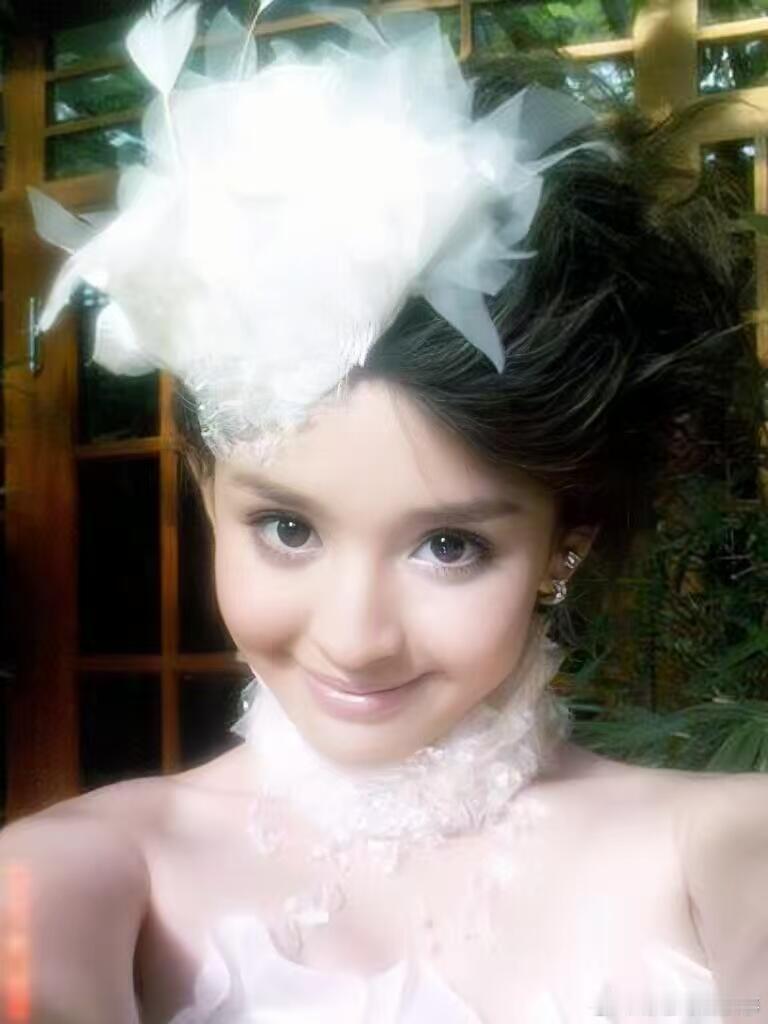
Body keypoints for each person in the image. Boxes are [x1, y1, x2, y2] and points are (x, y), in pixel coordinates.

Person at [2, 2, 767, 1022]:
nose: (356, 639)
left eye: (448, 545)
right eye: (288, 529)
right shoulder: (63, 881)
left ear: (565, 542)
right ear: (207, 492)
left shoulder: (731, 850)